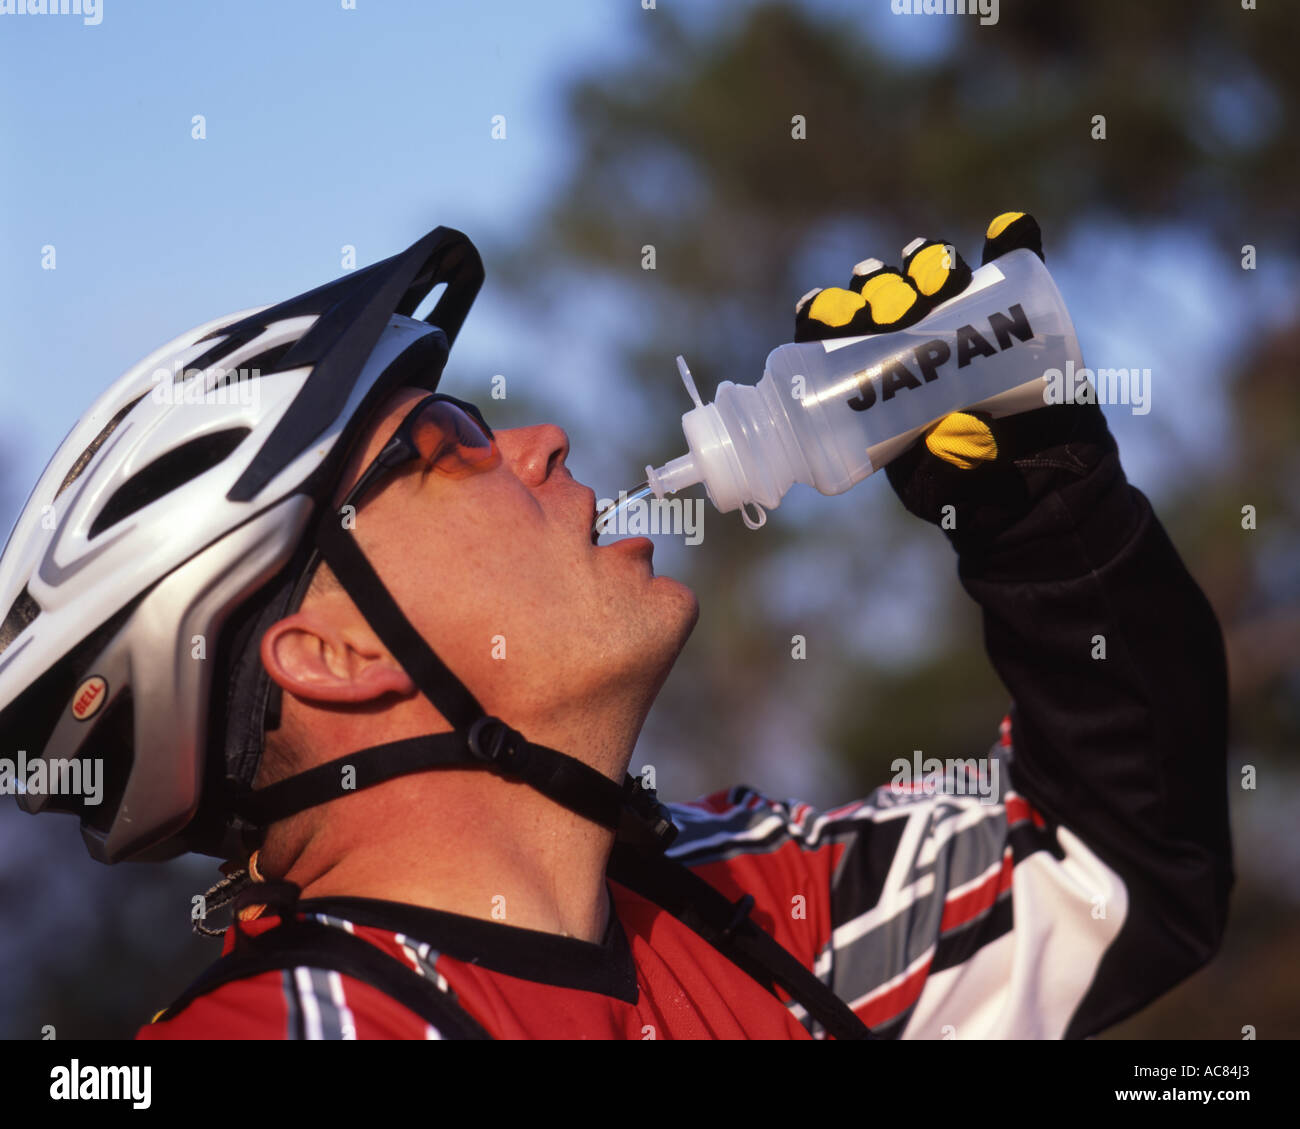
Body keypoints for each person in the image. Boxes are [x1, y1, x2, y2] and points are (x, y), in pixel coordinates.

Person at [0, 214, 1231, 1040]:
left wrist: (1040, 512)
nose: (540, 439)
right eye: (445, 449)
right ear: (333, 655)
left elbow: (1111, 868)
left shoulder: (750, 907)